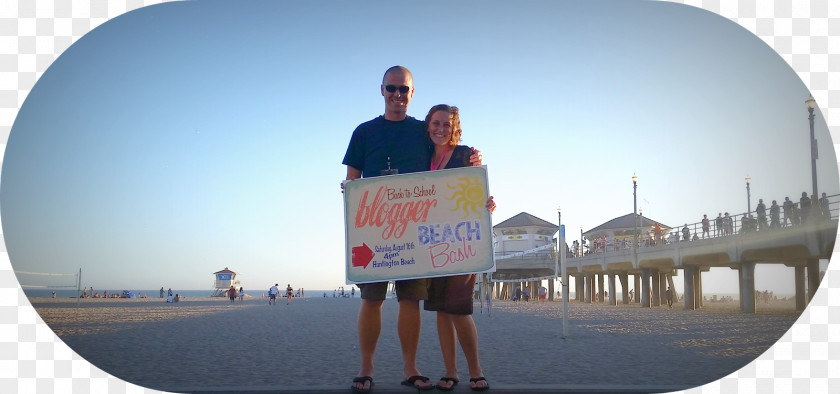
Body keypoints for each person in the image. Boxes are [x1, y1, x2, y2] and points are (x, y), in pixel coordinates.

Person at [342, 66, 482, 393]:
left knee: (410, 301)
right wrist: (350, 192)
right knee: (372, 300)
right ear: (382, 90)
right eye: (392, 88)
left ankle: (410, 368)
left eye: (403, 89)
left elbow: (448, 147)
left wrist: (473, 160)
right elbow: (352, 179)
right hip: (374, 230)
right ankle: (366, 369)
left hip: (417, 230)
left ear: (412, 93)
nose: (397, 95)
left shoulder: (421, 130)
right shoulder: (364, 131)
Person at [421, 104, 492, 391]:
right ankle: (451, 372)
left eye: (446, 125)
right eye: (435, 123)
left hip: (463, 242)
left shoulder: (465, 155)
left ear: (455, 128)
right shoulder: (420, 157)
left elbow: (477, 190)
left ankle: (476, 370)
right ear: (427, 126)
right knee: (441, 310)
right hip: (431, 242)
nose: (440, 129)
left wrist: (488, 202)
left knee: (459, 309)